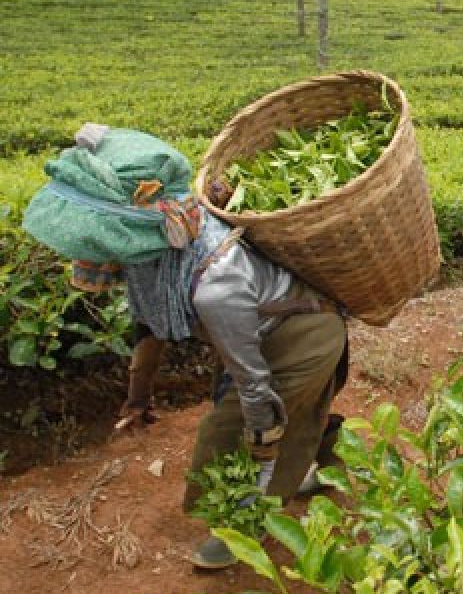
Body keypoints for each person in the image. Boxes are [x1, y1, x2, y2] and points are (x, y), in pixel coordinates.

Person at [22, 124, 348, 570]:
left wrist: (260, 440)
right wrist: (137, 398)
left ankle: (241, 527)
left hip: (304, 337)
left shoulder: (216, 282)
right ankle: (330, 458)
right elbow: (149, 326)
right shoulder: (155, 258)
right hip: (252, 332)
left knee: (230, 433)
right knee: (271, 408)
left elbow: (254, 384)